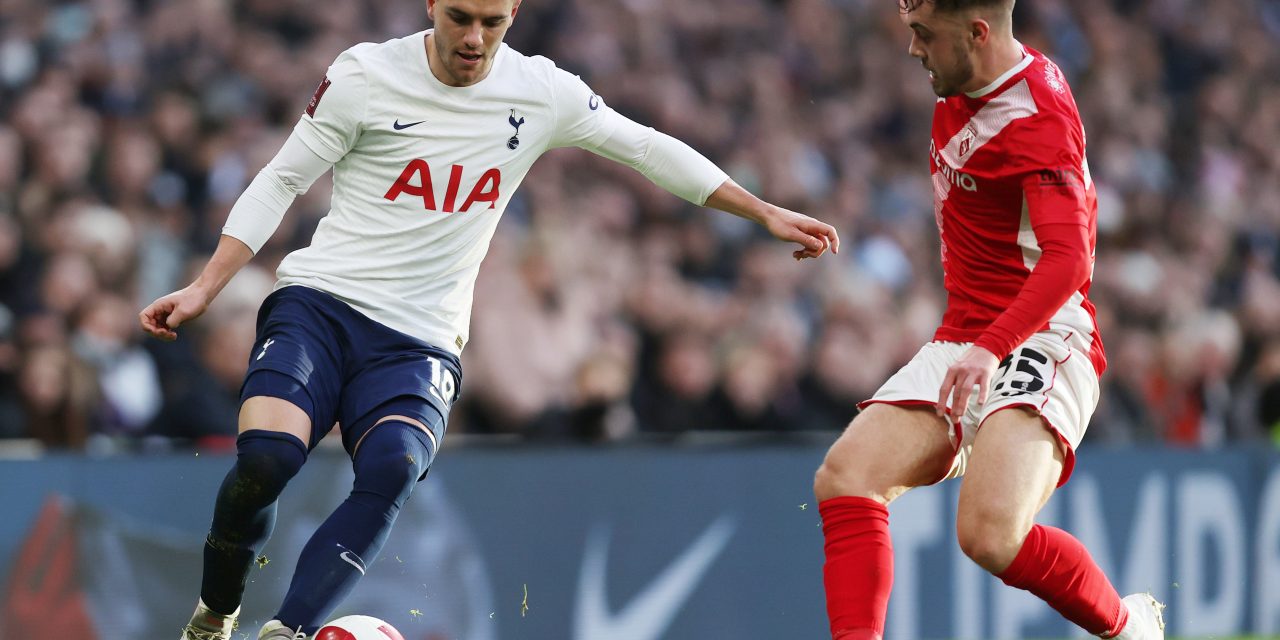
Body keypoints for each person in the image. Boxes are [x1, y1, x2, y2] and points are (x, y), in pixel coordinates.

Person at [139, 0, 840, 638]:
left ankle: (286, 632)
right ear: (432, 7)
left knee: (392, 467)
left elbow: (647, 147)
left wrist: (764, 212)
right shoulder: (365, 75)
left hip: (419, 340)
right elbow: (282, 178)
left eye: (493, 22)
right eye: (460, 18)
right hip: (323, 305)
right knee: (267, 459)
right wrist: (206, 287)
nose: (475, 38)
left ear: (515, 14)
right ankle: (217, 611)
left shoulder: (539, 91)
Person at [811, 1, 1165, 639]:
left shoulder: (1037, 118)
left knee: (988, 534)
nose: (914, 50)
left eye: (924, 36)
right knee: (845, 475)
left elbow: (1067, 261)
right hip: (966, 335)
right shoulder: (967, 74)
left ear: (977, 33)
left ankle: (1128, 627)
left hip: (1045, 333)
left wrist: (993, 347)